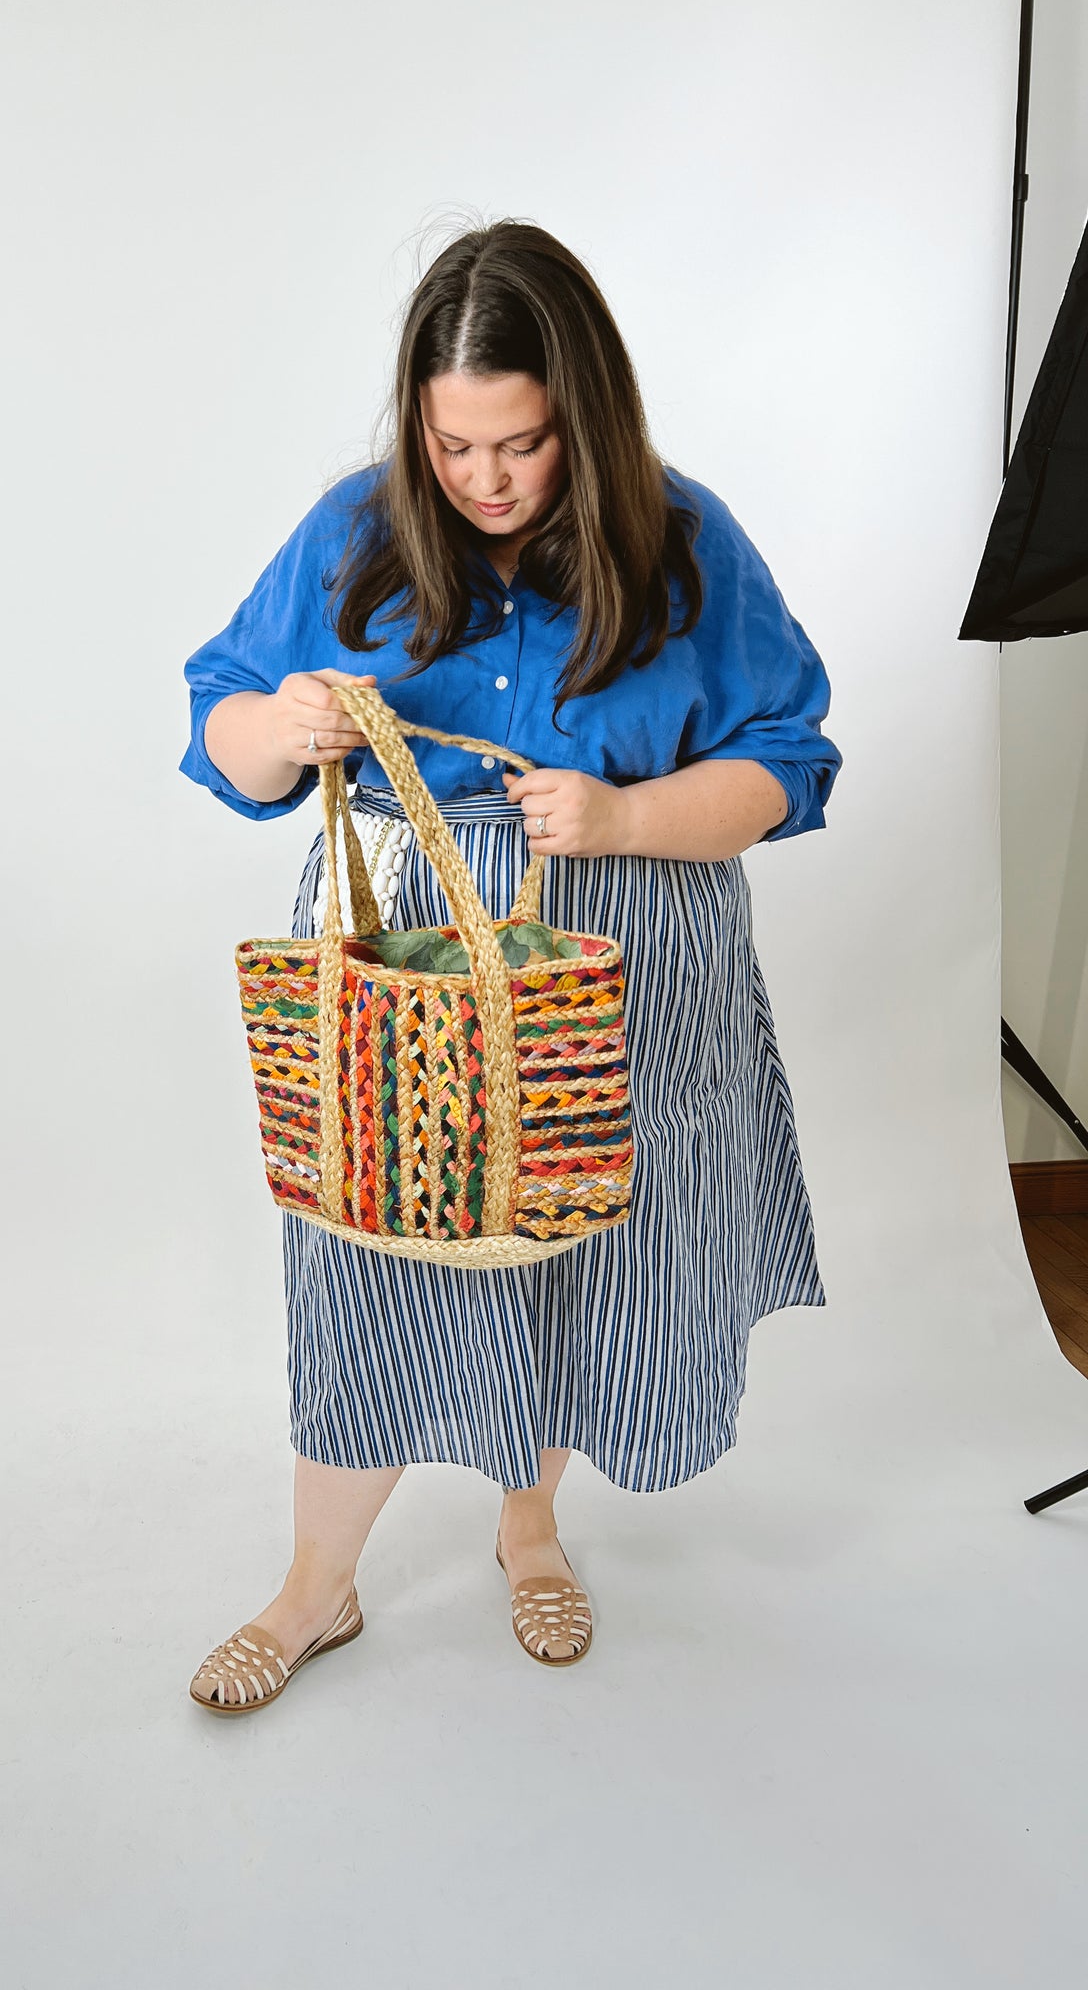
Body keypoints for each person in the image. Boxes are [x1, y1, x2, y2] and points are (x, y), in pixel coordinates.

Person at [178, 221, 840, 1713]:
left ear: (584, 419)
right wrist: (284, 730)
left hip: (620, 942)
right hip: (409, 969)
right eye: (456, 441)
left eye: (524, 443)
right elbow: (221, 718)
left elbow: (790, 762)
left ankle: (529, 1529)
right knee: (373, 1249)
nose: (485, 477)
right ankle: (316, 1590)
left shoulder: (685, 542)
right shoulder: (357, 527)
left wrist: (628, 814)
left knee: (570, 1242)